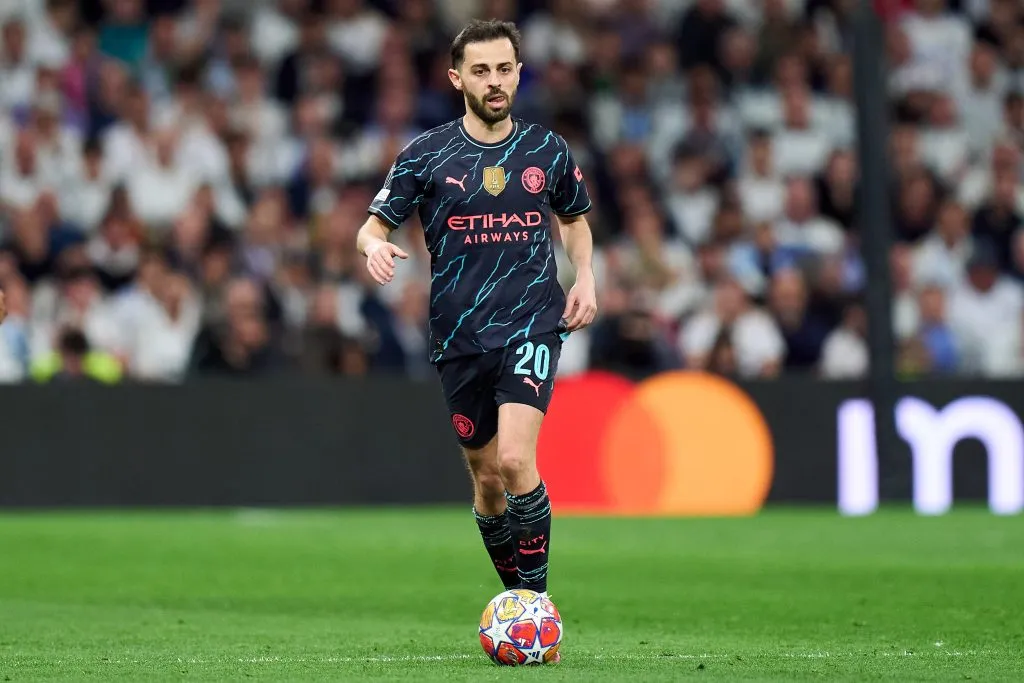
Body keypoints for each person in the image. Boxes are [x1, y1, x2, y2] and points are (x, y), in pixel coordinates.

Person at [355, 19, 597, 604]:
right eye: (482, 70)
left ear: (519, 73)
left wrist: (584, 274)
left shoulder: (547, 150)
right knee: (487, 479)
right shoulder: (426, 154)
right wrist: (375, 248)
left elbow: (574, 220)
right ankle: (516, 597)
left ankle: (536, 606)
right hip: (459, 334)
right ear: (456, 77)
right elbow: (371, 227)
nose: (495, 82)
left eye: (505, 69)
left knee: (516, 459)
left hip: (532, 323)